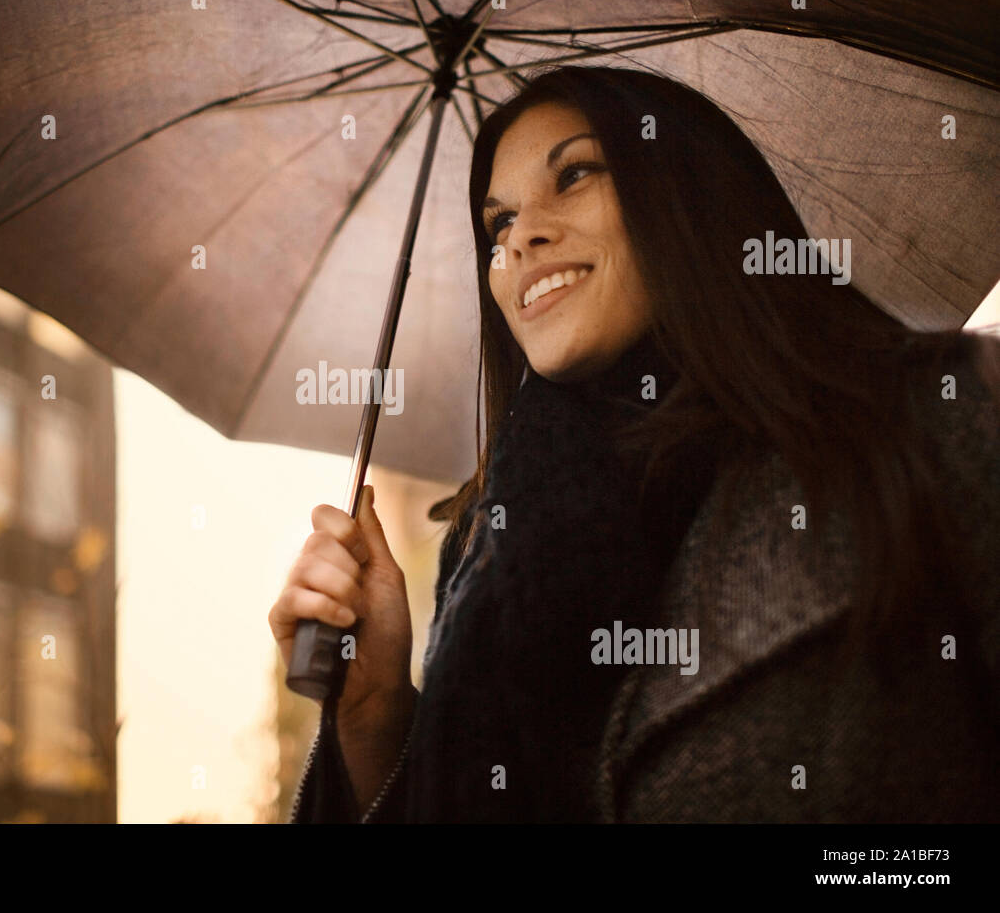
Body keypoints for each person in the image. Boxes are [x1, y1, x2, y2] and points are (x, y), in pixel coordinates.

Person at [268, 64, 1000, 823]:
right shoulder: (486, 539)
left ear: (685, 191)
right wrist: (376, 713)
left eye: (575, 174)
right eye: (498, 223)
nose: (523, 238)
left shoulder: (940, 415)